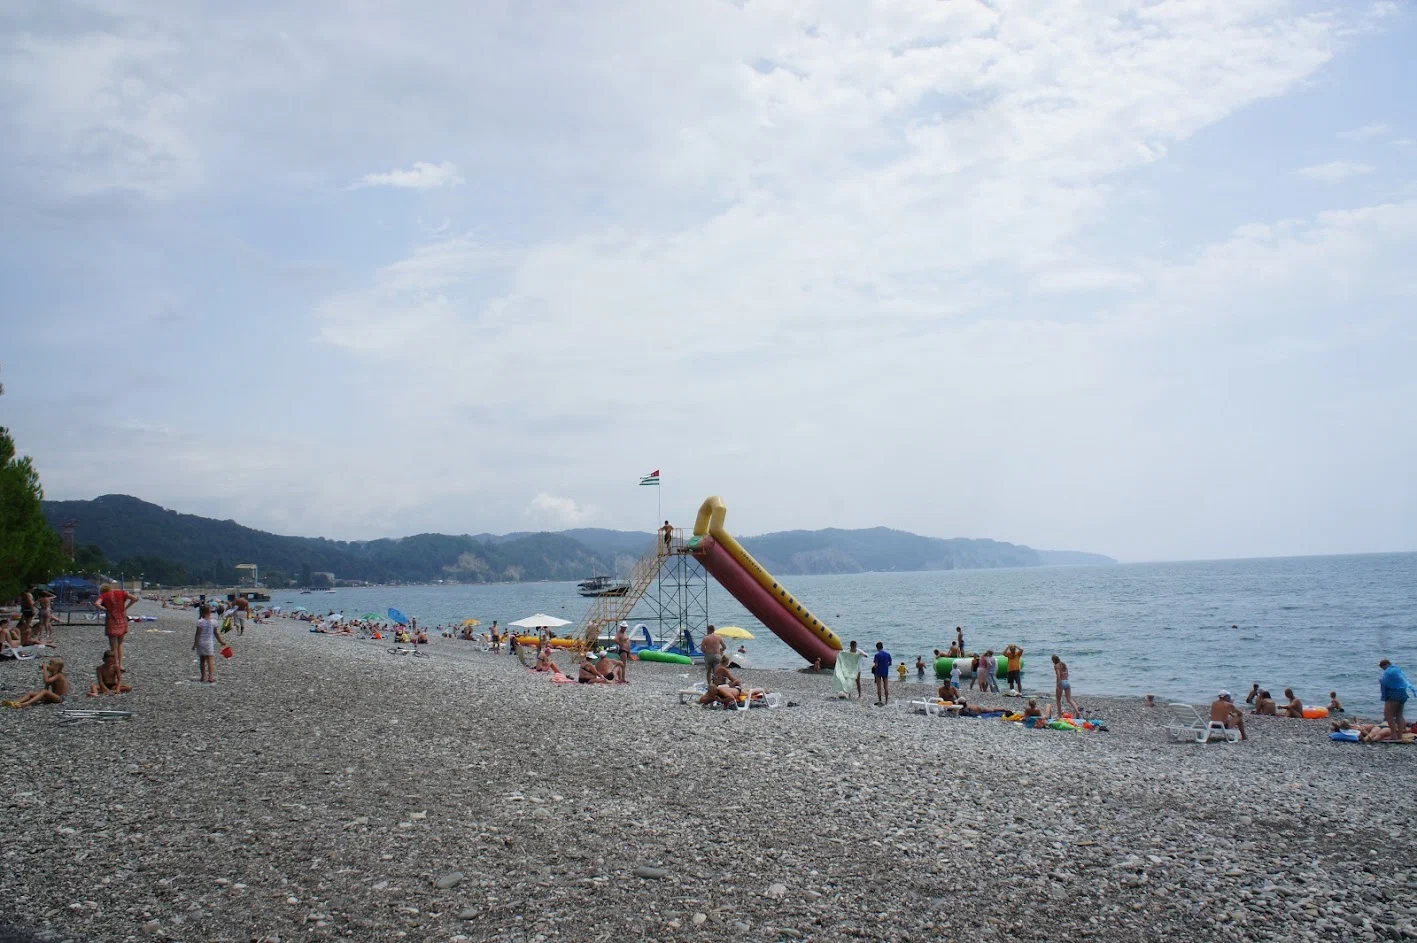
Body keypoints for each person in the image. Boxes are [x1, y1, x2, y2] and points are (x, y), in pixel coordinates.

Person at [97, 583, 138, 673]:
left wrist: (105, 609)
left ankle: (115, 664)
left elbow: (97, 603)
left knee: (113, 645)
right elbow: (135, 598)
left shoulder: (104, 595)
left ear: (102, 591)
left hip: (111, 620)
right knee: (120, 643)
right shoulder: (121, 593)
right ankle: (121, 665)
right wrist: (126, 608)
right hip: (122, 619)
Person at [4, 658, 70, 709]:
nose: (48, 665)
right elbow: (46, 687)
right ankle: (16, 702)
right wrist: (43, 697)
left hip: (61, 698)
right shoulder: (52, 676)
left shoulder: (59, 675)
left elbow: (46, 681)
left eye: (50, 664)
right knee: (31, 693)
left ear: (56, 667)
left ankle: (26, 704)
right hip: (54, 696)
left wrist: (44, 669)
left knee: (44, 691)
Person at [193, 604, 227, 683]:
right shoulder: (214, 621)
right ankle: (211, 677)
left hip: (201, 643)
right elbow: (216, 633)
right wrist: (221, 642)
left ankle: (203, 676)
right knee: (210, 660)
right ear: (210, 612)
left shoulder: (200, 622)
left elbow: (197, 634)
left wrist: (195, 644)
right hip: (209, 643)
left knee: (202, 660)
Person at [1379, 659, 1412, 738]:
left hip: (1393, 695)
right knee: (1399, 715)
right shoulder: (1398, 670)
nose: (1384, 670)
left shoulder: (1389, 672)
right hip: (1403, 694)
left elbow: (1385, 683)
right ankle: (1399, 735)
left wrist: (1381, 681)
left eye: (1383, 668)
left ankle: (1393, 735)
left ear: (1386, 664)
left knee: (1388, 715)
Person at [871, 641, 891, 706]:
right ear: (882, 646)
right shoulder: (887, 654)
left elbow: (876, 665)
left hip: (878, 672)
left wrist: (873, 667)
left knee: (879, 687)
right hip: (885, 671)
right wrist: (885, 665)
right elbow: (890, 663)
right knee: (886, 687)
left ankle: (880, 701)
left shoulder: (877, 655)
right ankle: (886, 701)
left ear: (877, 648)